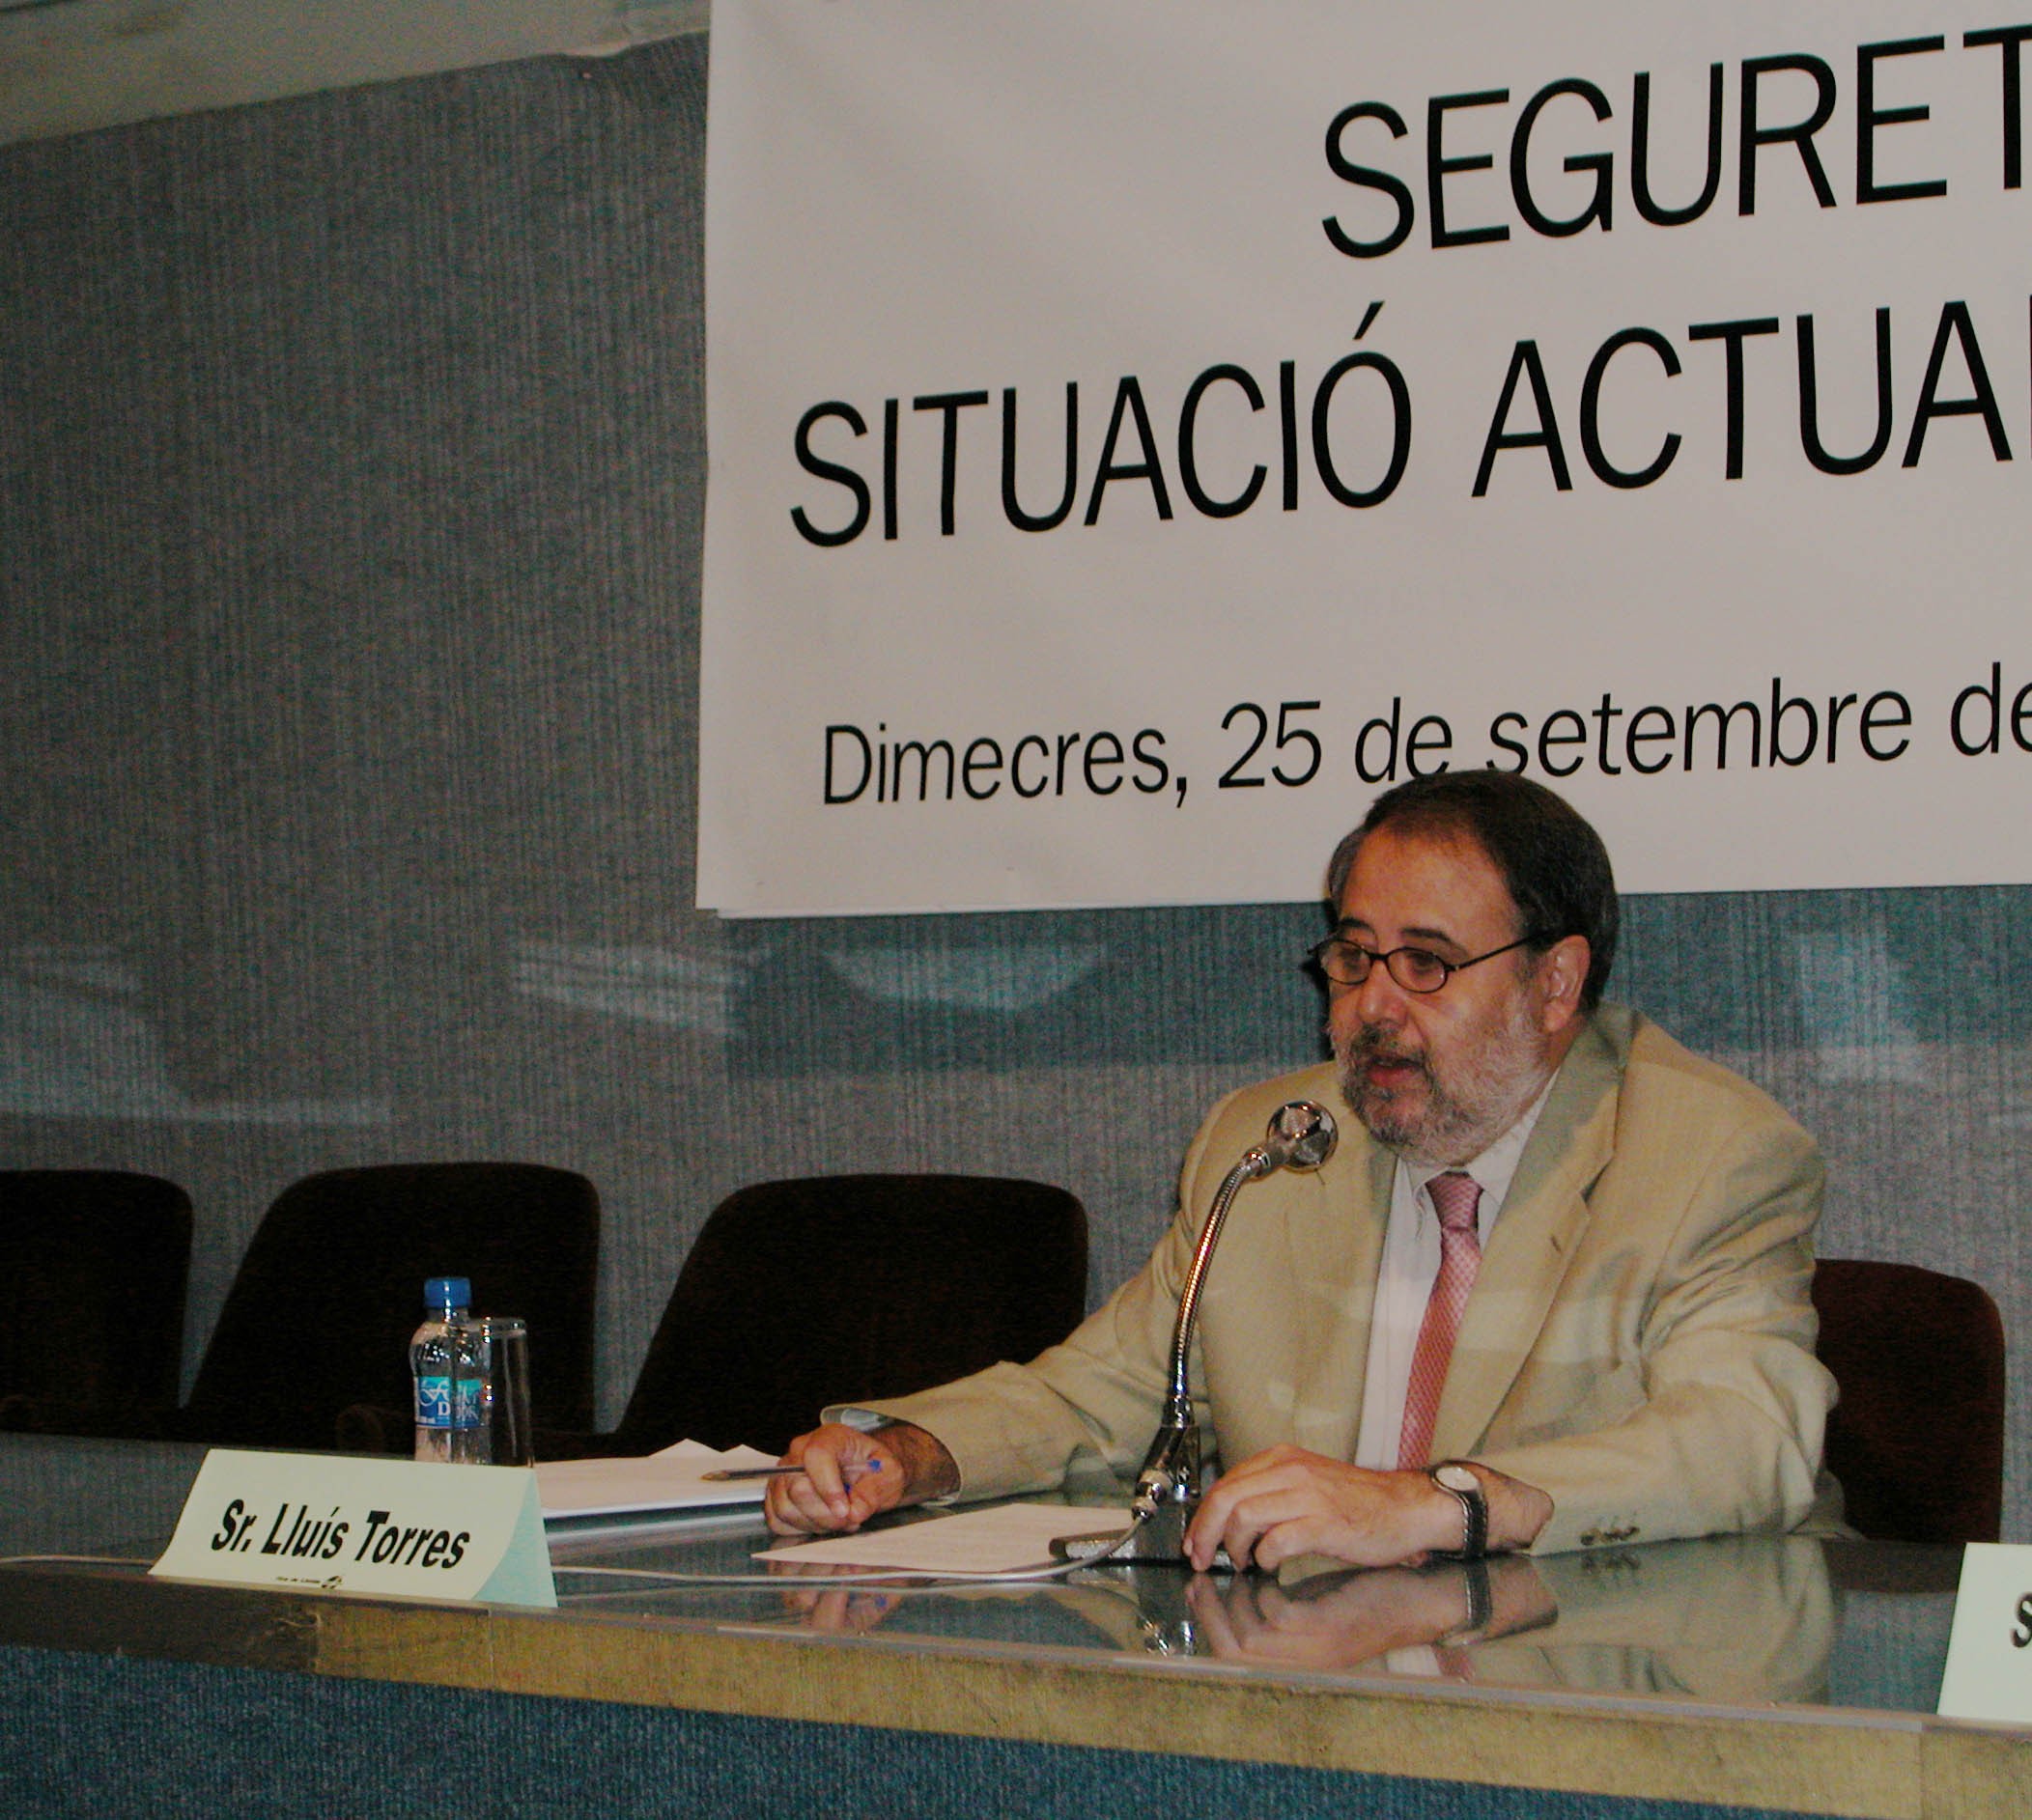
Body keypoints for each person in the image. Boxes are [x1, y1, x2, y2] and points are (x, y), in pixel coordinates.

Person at [766, 772, 1838, 1570]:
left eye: (1426, 963)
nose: (1373, 1006)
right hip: (1313, 1678)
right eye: (1353, 956)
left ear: (1556, 983)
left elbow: (1746, 1440)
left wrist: (1438, 1502)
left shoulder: (1705, 1156)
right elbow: (1106, 1393)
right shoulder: (1276, 1144)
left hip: (1593, 1689)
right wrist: (910, 1453)